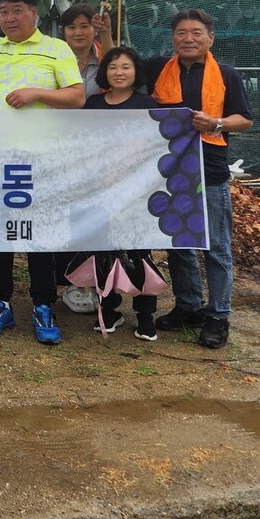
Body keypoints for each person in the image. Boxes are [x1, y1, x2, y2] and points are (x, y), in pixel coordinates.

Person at [0, 0, 85, 346]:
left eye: (16, 10)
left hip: (41, 160)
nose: (9, 18)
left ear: (33, 13)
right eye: (4, 12)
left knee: (39, 235)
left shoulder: (55, 49)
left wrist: (37, 93)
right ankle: (0, 302)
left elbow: (76, 96)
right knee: (0, 234)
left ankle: (44, 305)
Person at [146, 9, 253, 349]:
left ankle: (218, 315)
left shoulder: (226, 74)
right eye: (181, 32)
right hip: (172, 171)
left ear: (210, 38)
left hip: (211, 170)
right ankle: (189, 305)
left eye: (195, 33)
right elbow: (119, 68)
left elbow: (245, 119)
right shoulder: (160, 71)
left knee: (217, 247)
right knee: (179, 243)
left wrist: (216, 123)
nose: (188, 38)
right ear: (172, 37)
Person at [81, 46, 161, 340]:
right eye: (113, 67)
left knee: (141, 251)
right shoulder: (92, 104)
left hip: (138, 191)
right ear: (105, 72)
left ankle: (145, 314)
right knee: (104, 251)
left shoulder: (147, 103)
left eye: (126, 67)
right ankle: (109, 310)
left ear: (135, 71)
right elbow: (83, 146)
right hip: (103, 191)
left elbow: (155, 145)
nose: (119, 72)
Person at [56, 2, 114, 314]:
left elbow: (116, 77)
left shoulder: (105, 60)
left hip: (97, 149)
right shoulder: (54, 57)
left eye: (83, 26)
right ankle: (70, 280)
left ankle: (95, 283)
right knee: (67, 213)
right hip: (62, 147)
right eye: (71, 27)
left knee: (95, 214)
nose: (78, 32)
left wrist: (107, 35)